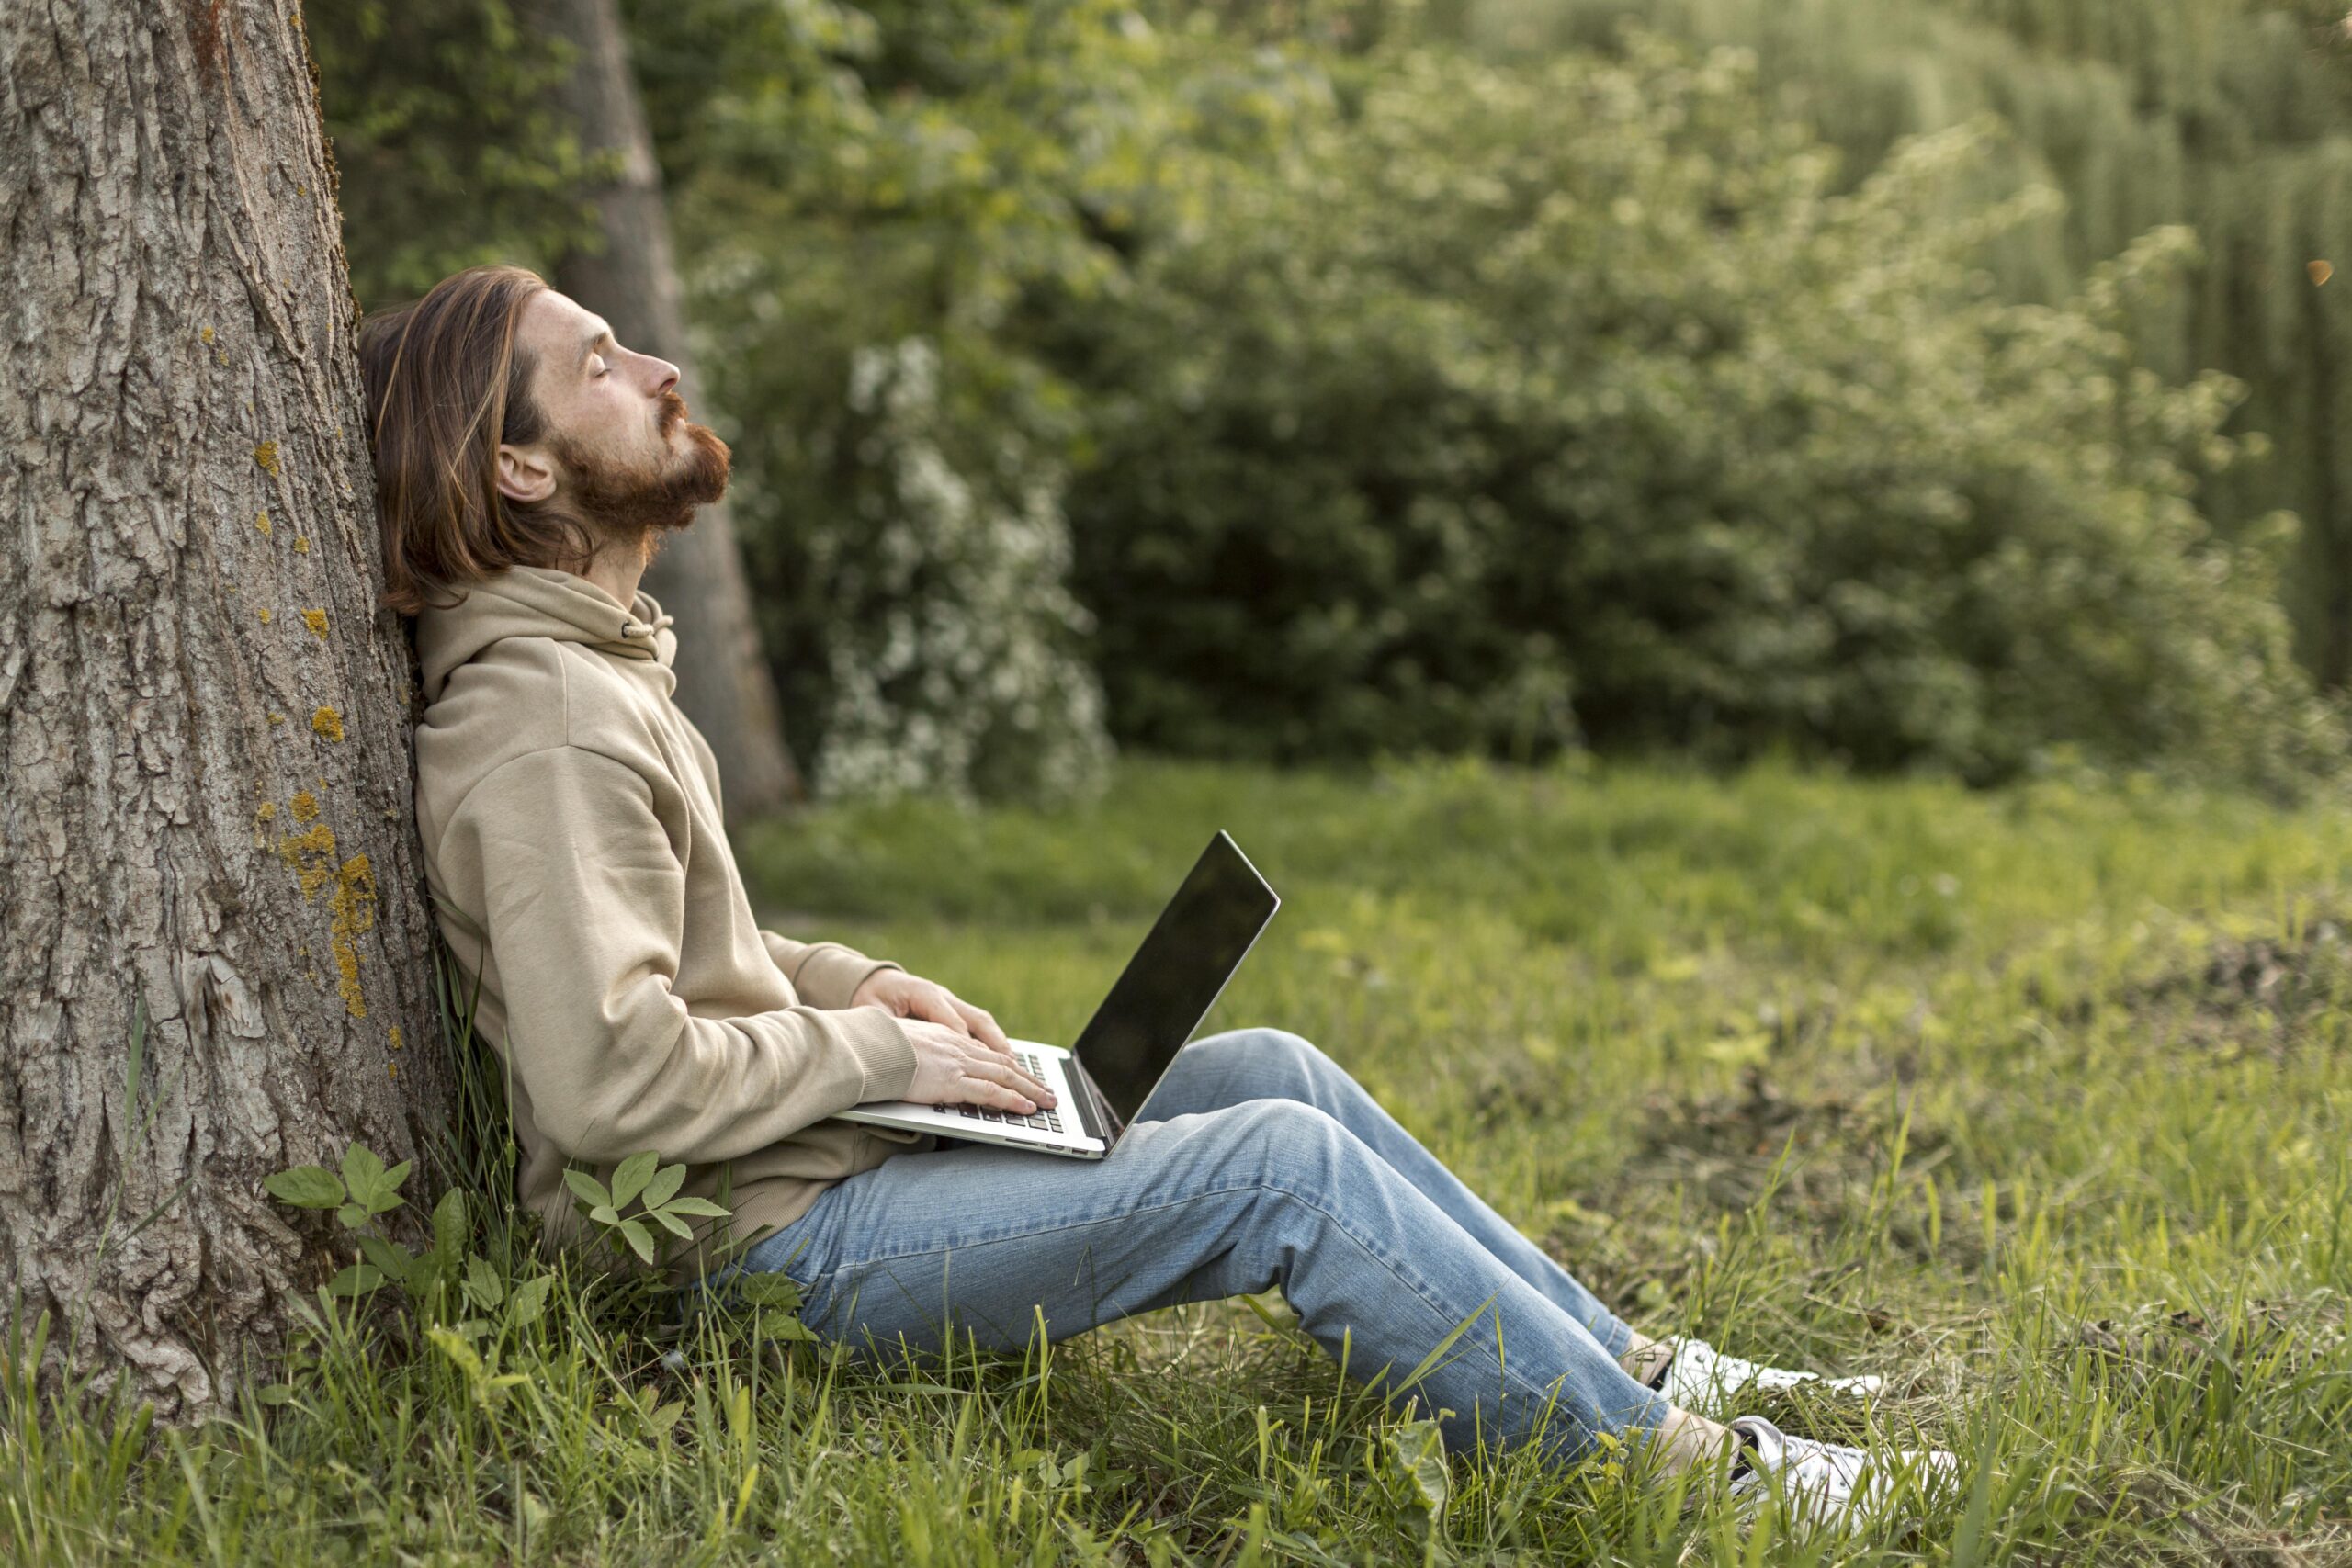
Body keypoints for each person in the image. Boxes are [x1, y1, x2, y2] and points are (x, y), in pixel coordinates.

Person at [363, 264, 1958, 1535]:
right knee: (1274, 1171)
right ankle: (1695, 1483)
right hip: (759, 1252)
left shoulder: (591, 671)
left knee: (1268, 1071)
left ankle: (1630, 1361)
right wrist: (883, 1067)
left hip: (799, 1163)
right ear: (518, 462)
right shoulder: (549, 724)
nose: (657, 374)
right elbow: (605, 1079)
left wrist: (856, 982)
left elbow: (681, 944)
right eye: (600, 365)